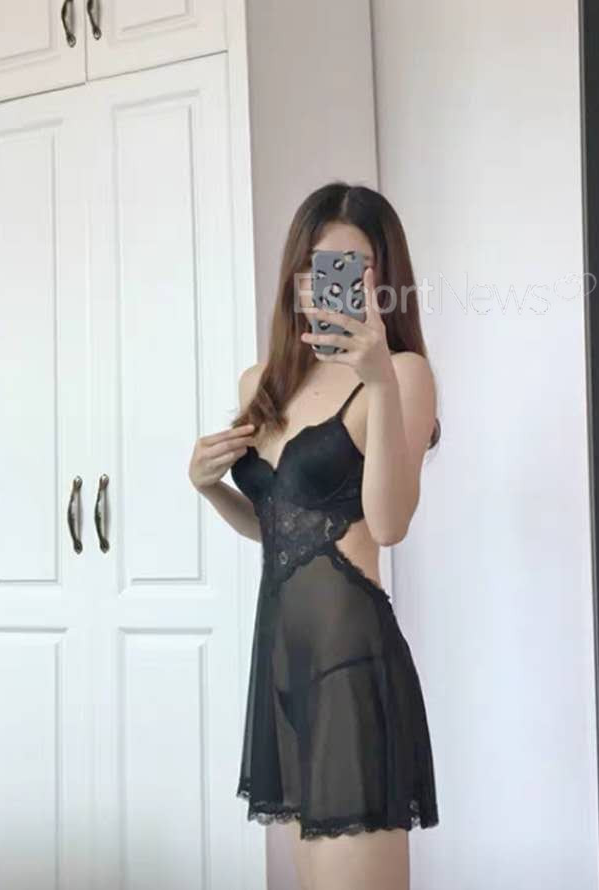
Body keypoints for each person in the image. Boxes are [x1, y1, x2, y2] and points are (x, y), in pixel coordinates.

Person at [188, 182, 440, 890]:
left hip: (350, 666)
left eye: (353, 266)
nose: (327, 282)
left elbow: (388, 524)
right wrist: (209, 487)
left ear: (383, 279)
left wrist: (379, 382)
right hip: (280, 667)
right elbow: (281, 529)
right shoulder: (263, 381)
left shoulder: (404, 375)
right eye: (313, 264)